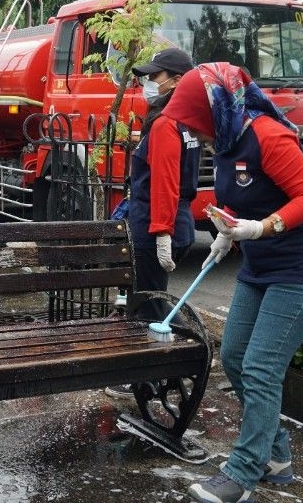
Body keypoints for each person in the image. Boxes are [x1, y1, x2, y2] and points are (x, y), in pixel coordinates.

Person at [167, 63, 303, 503]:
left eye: (193, 122)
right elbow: (238, 198)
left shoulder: (268, 135)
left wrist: (261, 228)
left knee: (262, 367)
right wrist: (227, 232)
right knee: (235, 357)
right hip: (259, 268)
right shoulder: (225, 142)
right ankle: (276, 455)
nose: (193, 132)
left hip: (300, 271)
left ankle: (242, 474)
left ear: (213, 109)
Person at [104, 48, 198, 400]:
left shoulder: (166, 122)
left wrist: (161, 231)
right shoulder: (186, 121)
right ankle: (172, 365)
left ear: (177, 80)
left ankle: (150, 378)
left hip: (155, 223)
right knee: (156, 299)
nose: (149, 82)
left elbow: (164, 182)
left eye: (156, 76)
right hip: (176, 220)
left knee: (149, 304)